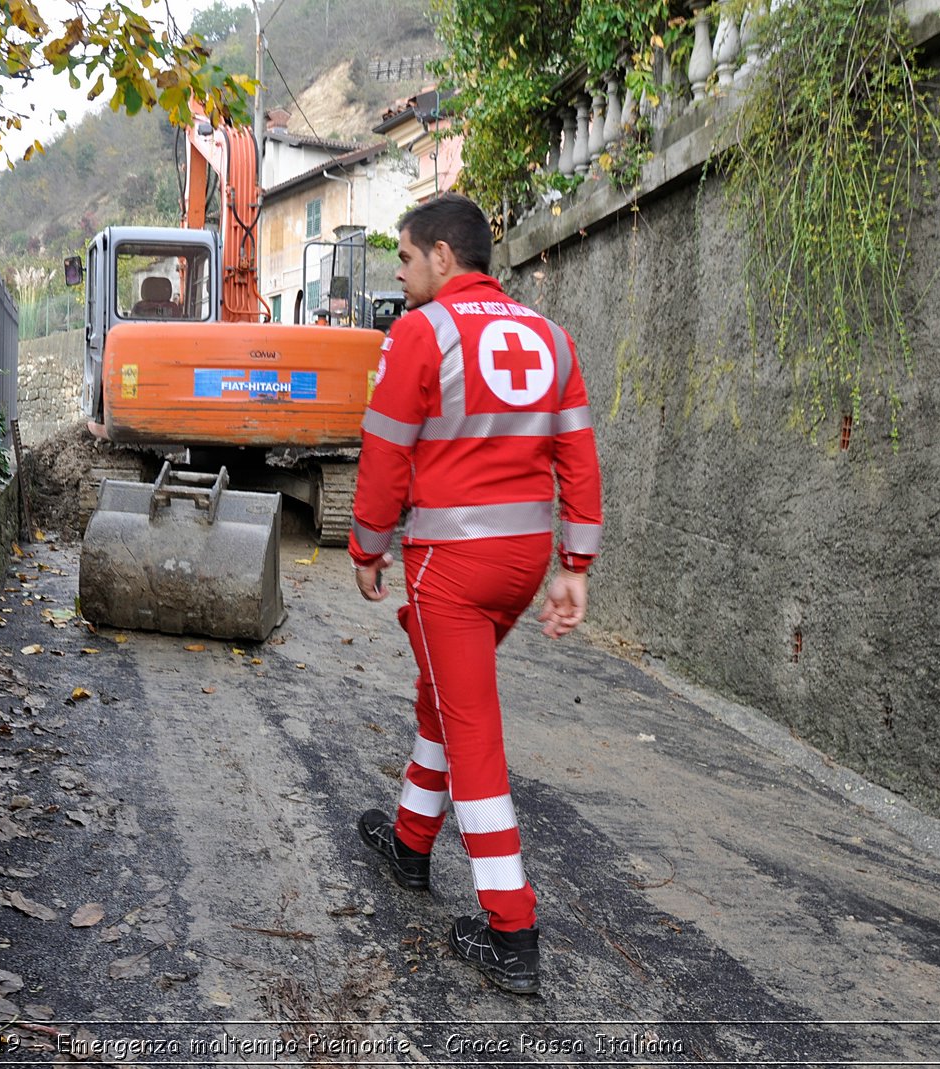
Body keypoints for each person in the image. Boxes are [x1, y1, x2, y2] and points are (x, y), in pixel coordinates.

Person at [347, 193, 602, 996]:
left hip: (447, 567)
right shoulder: (550, 337)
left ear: (444, 258)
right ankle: (411, 843)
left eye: (406, 254)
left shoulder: (420, 333)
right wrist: (575, 565)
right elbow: (579, 456)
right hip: (519, 568)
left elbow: (387, 447)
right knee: (443, 698)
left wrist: (366, 543)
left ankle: (512, 932)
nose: (399, 267)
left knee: (471, 731)